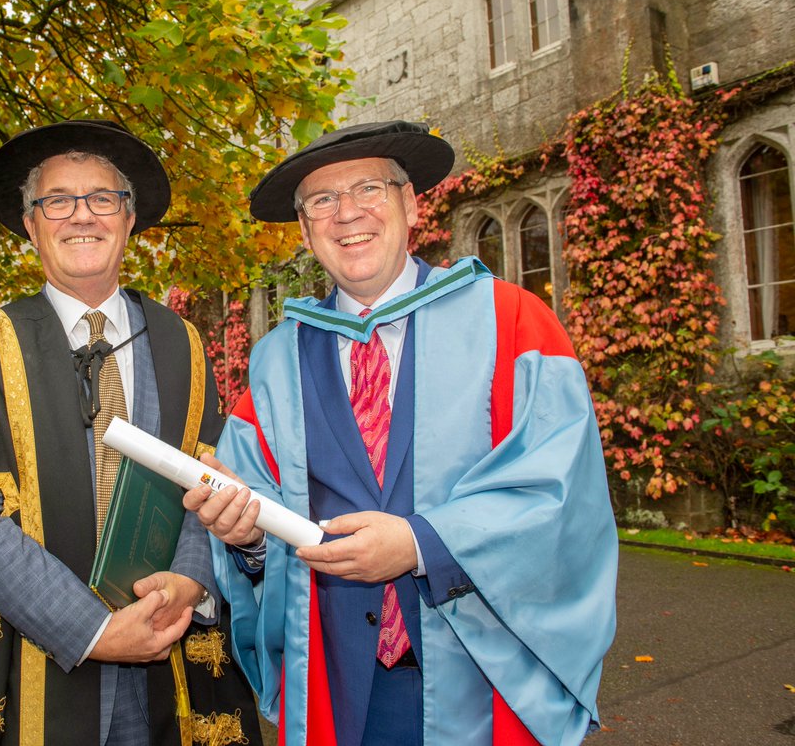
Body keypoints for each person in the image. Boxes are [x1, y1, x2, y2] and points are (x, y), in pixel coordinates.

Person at [184, 121, 618, 746]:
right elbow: (257, 532)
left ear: (411, 203)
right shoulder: (276, 360)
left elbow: (561, 495)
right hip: (336, 686)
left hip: (480, 676)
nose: (347, 214)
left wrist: (422, 544)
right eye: (322, 202)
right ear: (305, 231)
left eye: (368, 188)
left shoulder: (513, 322)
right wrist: (246, 538)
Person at [0, 120, 262, 745]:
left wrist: (190, 579)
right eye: (58, 200)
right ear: (31, 223)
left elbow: (207, 476)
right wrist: (96, 632)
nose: (82, 216)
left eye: (102, 198)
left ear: (129, 218)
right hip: (32, 672)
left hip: (167, 666)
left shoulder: (179, 341)